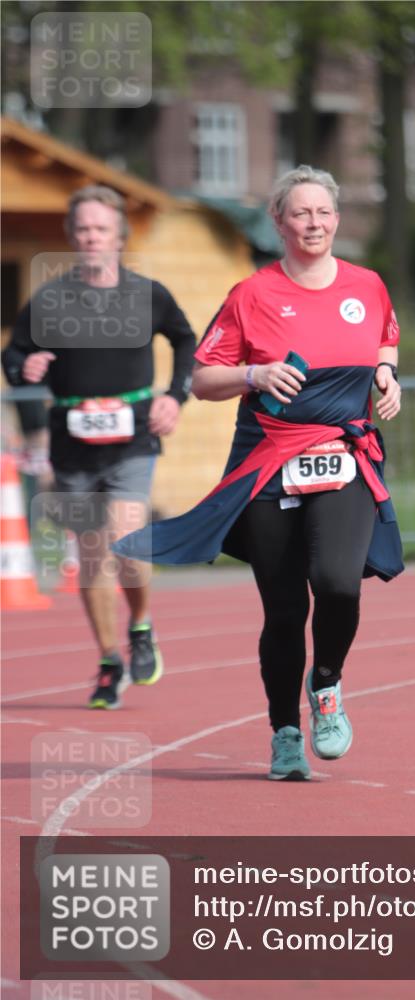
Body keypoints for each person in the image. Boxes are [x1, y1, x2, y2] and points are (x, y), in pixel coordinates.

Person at [114, 165, 403, 780]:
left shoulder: (368, 285)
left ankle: (325, 685)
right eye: (300, 213)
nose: (314, 223)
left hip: (343, 455)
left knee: (339, 584)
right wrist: (255, 374)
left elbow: (383, 340)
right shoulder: (252, 294)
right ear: (278, 221)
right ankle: (285, 732)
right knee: (282, 611)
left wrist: (386, 375)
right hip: (269, 462)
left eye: (323, 212)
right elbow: (201, 377)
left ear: (337, 218)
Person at [2, 185, 196, 709]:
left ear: (119, 238)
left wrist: (175, 397)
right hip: (73, 444)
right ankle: (110, 662)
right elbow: (15, 355)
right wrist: (27, 367)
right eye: (83, 230)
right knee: (90, 557)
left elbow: (185, 340)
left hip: (133, 439)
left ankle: (141, 624)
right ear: (72, 237)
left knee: (126, 539)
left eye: (101, 230)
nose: (91, 238)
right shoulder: (50, 300)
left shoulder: (147, 295)